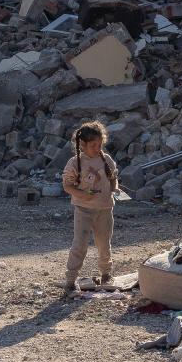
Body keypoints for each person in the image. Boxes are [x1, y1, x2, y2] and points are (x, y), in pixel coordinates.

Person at [61, 120, 119, 294]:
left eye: (100, 144)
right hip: (83, 210)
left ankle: (106, 274)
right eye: (93, 145)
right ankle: (70, 280)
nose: (98, 148)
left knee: (104, 243)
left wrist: (115, 187)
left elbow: (113, 176)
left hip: (105, 209)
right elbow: (67, 186)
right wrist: (82, 195)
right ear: (82, 145)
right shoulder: (74, 163)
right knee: (80, 245)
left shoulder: (106, 159)